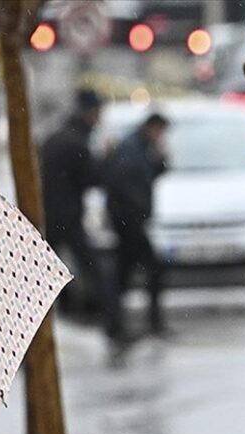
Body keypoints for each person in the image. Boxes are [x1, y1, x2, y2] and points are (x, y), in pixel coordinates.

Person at [40, 89, 122, 339]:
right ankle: (113, 325)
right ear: (91, 113)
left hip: (49, 216)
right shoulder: (76, 142)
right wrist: (108, 159)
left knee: (39, 276)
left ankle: (26, 333)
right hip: (68, 218)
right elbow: (93, 179)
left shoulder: (58, 137)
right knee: (94, 271)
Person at [105, 112, 170, 338]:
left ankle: (116, 322)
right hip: (129, 222)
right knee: (152, 269)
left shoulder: (141, 147)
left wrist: (162, 158)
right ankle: (145, 322)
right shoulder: (132, 149)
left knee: (124, 274)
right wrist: (136, 214)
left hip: (130, 221)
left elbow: (153, 173)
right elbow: (125, 184)